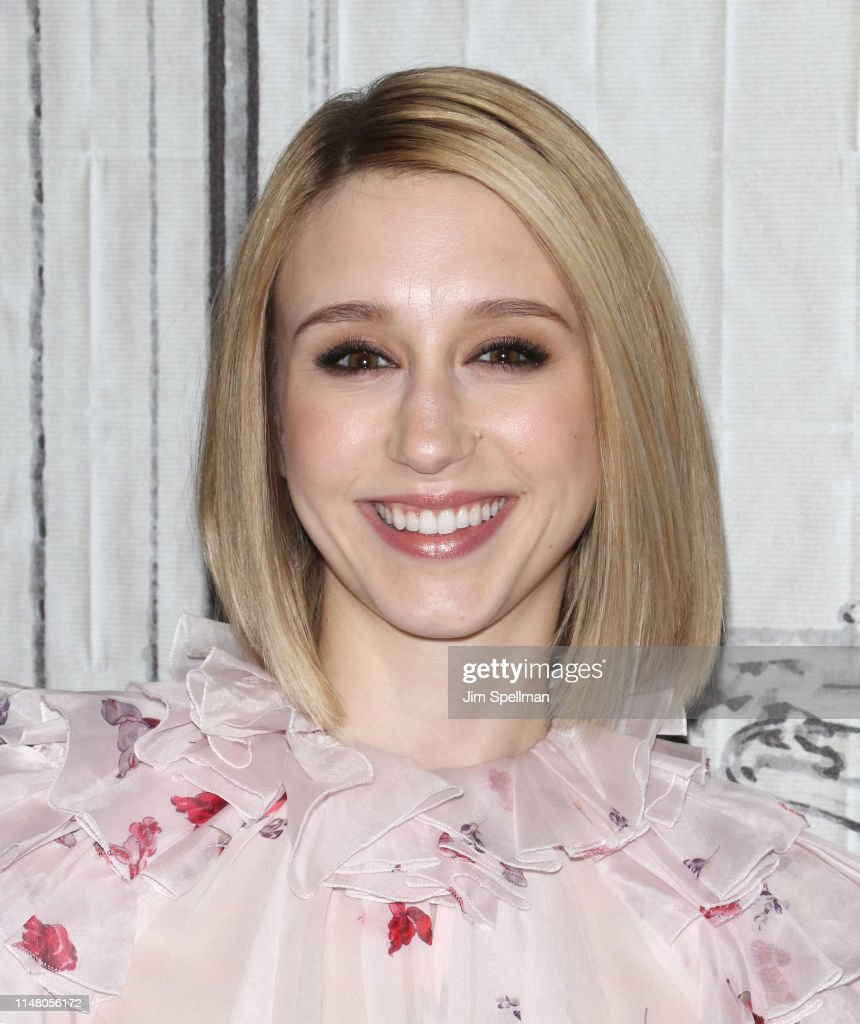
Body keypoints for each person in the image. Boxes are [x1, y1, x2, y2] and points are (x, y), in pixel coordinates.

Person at [1, 64, 858, 1024]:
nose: (428, 438)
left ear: (619, 404)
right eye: (358, 357)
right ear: (271, 417)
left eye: (507, 352)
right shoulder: (40, 848)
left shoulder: (789, 954)